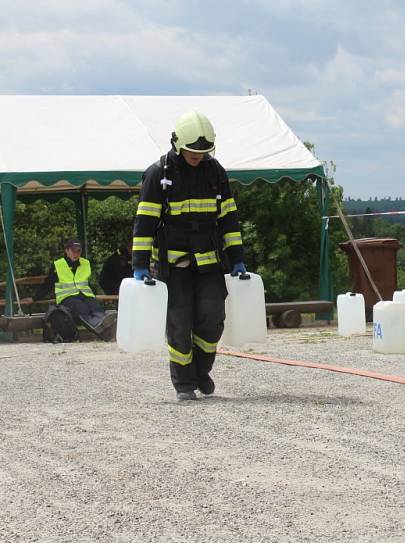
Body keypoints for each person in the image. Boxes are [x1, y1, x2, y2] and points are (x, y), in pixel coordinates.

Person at [131, 110, 246, 401]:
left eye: (204, 151)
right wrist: (140, 264)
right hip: (174, 264)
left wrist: (237, 258)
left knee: (212, 317)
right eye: (193, 151)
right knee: (180, 323)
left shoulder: (215, 172)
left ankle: (201, 370)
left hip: (208, 261)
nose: (198, 156)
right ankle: (184, 383)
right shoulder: (159, 174)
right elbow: (144, 223)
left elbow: (229, 220)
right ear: (177, 144)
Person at [33, 238, 117, 339]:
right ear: (67, 250)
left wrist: (103, 294)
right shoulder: (58, 265)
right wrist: (34, 298)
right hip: (67, 298)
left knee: (95, 305)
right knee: (81, 307)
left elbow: (89, 283)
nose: (76, 253)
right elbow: (47, 284)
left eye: (78, 251)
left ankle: (103, 325)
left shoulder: (85, 263)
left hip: (85, 295)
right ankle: (100, 327)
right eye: (73, 251)